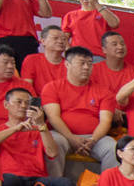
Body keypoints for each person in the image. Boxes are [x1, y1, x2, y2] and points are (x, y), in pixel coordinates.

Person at [0, 85, 78, 186]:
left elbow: (52, 153)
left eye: (27, 103)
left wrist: (41, 125)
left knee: (66, 185)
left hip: (36, 180)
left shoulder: (39, 130)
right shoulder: (0, 130)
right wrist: (15, 128)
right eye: (19, 102)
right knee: (9, 181)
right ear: (6, 105)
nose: (23, 106)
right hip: (10, 178)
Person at [40, 43, 118, 175]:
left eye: (89, 63)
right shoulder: (52, 87)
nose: (86, 67)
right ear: (67, 64)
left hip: (94, 137)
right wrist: (71, 138)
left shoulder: (104, 91)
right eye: (81, 63)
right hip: (62, 134)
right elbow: (53, 117)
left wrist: (93, 140)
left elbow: (105, 121)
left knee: (113, 147)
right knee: (54, 142)